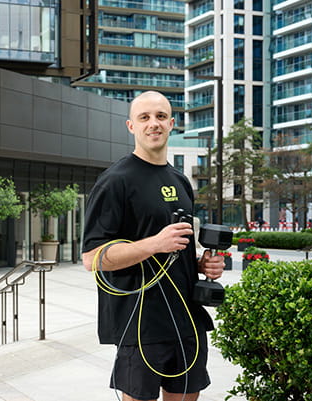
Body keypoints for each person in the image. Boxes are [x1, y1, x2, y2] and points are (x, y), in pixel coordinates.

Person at [81, 91, 226, 401]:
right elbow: (92, 258)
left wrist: (201, 264)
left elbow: (176, 250)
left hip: (186, 318)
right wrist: (155, 244)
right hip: (140, 323)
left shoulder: (180, 181)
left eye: (160, 116)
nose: (153, 124)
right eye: (144, 117)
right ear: (131, 126)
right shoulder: (115, 181)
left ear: (171, 123)